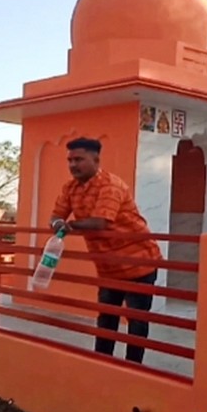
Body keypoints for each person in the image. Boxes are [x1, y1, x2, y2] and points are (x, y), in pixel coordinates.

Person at [49, 137, 163, 364]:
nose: (73, 165)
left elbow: (100, 222)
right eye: (70, 160)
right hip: (108, 266)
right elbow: (56, 215)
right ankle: (102, 365)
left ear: (96, 159)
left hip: (139, 262)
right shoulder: (70, 188)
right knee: (107, 318)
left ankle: (133, 369)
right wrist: (56, 223)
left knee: (136, 321)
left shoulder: (111, 185)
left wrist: (68, 226)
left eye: (79, 159)